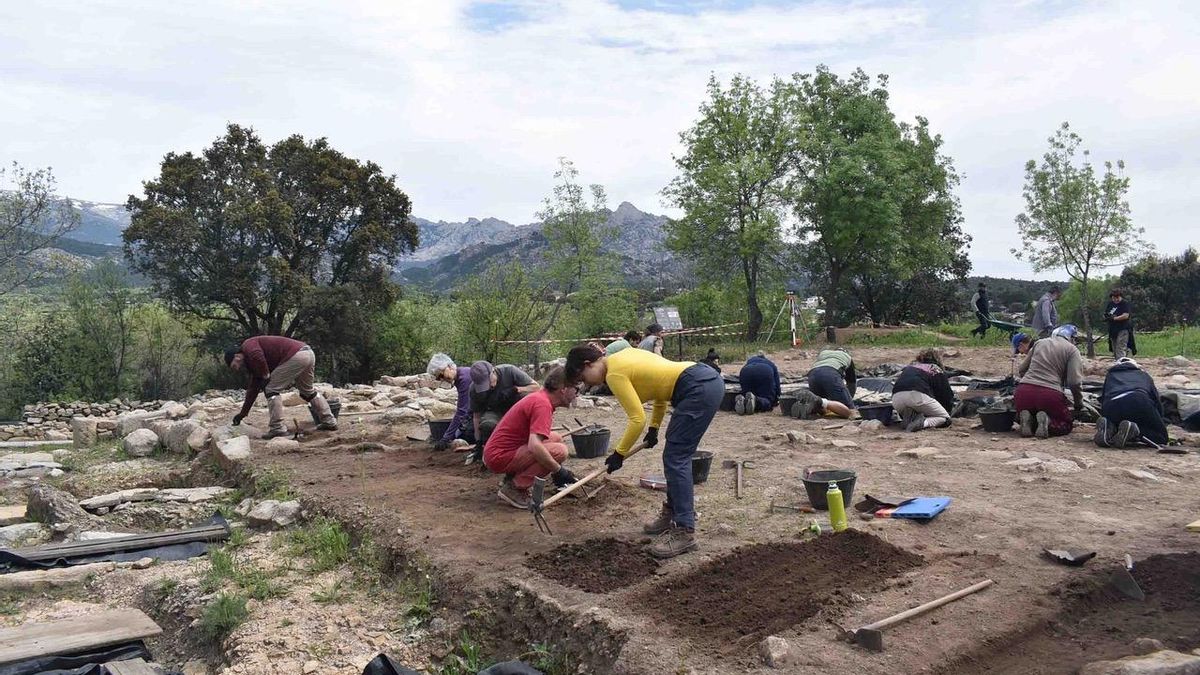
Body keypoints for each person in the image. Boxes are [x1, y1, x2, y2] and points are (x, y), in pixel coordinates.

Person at [565, 343, 723, 559]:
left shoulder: (614, 374)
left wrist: (619, 454)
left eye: (583, 378)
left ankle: (684, 530)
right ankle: (672, 514)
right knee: (674, 456)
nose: (587, 384)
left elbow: (637, 419)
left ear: (588, 364)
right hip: (701, 378)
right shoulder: (624, 355)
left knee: (677, 457)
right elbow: (660, 390)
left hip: (696, 387)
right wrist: (654, 428)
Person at [484, 367, 578, 509]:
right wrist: (559, 470)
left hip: (499, 451)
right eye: (576, 389)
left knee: (556, 438)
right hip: (498, 456)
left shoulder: (540, 398)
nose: (577, 394)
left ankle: (511, 476)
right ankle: (515, 488)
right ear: (563, 389)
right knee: (559, 451)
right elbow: (534, 446)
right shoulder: (542, 405)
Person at [225, 335, 337, 438]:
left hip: (296, 355)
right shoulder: (252, 364)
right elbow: (253, 390)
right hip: (308, 353)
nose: (237, 369)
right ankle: (329, 421)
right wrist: (243, 413)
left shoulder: (247, 345)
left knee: (271, 389)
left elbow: (257, 355)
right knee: (308, 392)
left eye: (234, 365)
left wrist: (266, 375)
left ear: (237, 356)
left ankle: (277, 428)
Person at [1015, 324, 1083, 439]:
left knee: (1025, 412)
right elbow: (1074, 382)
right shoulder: (1072, 349)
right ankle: (1048, 422)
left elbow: (1022, 369)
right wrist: (1078, 404)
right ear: (1071, 338)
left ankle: (1028, 420)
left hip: (1023, 392)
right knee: (1065, 425)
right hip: (1050, 395)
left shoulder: (1039, 343)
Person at [467, 361, 541, 465]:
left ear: (493, 371)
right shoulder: (474, 390)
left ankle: (532, 442)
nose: (489, 386)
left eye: (489, 382)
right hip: (496, 413)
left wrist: (516, 389)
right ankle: (494, 452)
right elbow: (476, 416)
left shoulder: (509, 371)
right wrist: (478, 442)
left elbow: (536, 387)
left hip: (517, 410)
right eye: (484, 385)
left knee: (529, 398)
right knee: (487, 424)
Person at [1095, 358, 1168, 449]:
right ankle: (1135, 431)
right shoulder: (1144, 375)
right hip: (1137, 399)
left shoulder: (1110, 375)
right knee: (1161, 437)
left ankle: (1110, 427)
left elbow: (1104, 398)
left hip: (1112, 403)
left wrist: (1106, 414)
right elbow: (1156, 400)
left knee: (1119, 422)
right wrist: (1159, 419)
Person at [891, 349, 955, 432]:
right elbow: (946, 394)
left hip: (896, 400)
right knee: (944, 418)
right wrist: (948, 409)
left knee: (917, 406)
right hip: (916, 395)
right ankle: (922, 423)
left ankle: (910, 419)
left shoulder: (910, 367)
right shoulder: (935, 369)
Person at [426, 353, 475, 450]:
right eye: (438, 378)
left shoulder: (464, 378)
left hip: (490, 411)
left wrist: (445, 438)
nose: (442, 379)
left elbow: (462, 411)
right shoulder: (461, 376)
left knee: (467, 433)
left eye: (441, 375)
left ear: (449, 366)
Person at [801, 348, 856, 419]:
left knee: (821, 408)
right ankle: (821, 401)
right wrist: (849, 399)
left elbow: (821, 368)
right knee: (849, 411)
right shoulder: (848, 357)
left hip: (812, 374)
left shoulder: (824, 353)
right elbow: (852, 383)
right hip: (831, 373)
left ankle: (815, 405)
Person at [1104, 289, 1135, 360]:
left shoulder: (1125, 304)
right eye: (1113, 298)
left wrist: (1115, 318)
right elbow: (1106, 313)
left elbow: (1126, 315)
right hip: (1113, 330)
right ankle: (1117, 361)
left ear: (1120, 296)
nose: (1115, 299)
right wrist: (1107, 318)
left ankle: (1121, 363)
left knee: (1120, 347)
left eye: (1117, 297)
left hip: (1123, 328)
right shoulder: (1110, 304)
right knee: (1114, 348)